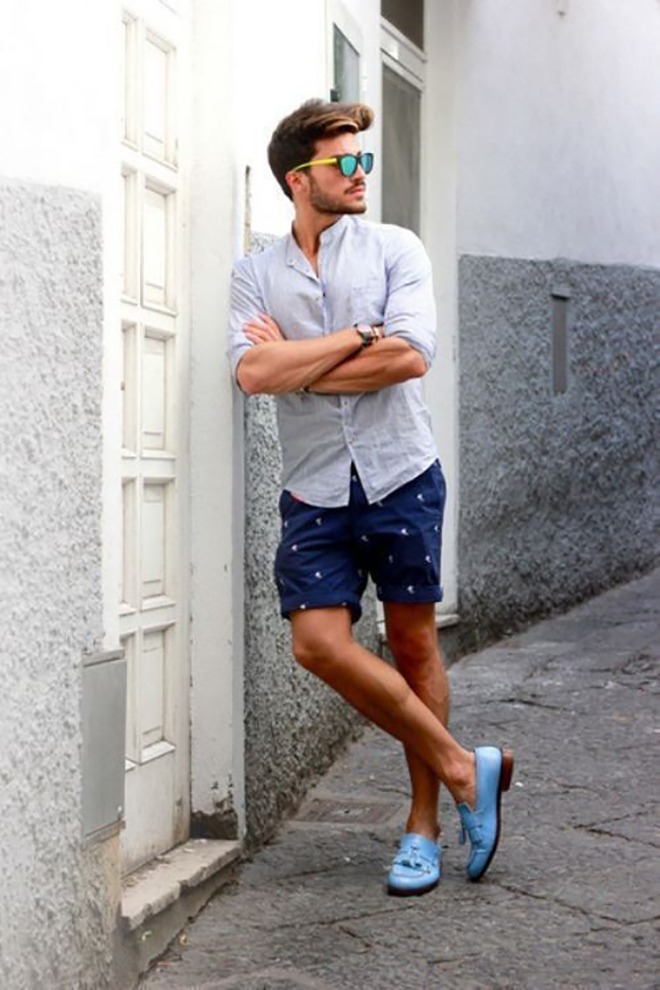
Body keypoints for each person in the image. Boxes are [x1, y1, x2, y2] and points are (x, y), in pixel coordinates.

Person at [228, 98, 513, 895]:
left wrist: (301, 365)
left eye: (365, 159)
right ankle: (466, 767)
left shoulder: (395, 248)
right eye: (344, 162)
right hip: (314, 487)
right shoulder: (255, 274)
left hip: (400, 475)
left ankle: (423, 826)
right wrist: (357, 337)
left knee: (414, 646)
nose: (361, 174)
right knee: (317, 644)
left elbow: (409, 357)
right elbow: (251, 373)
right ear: (299, 179)